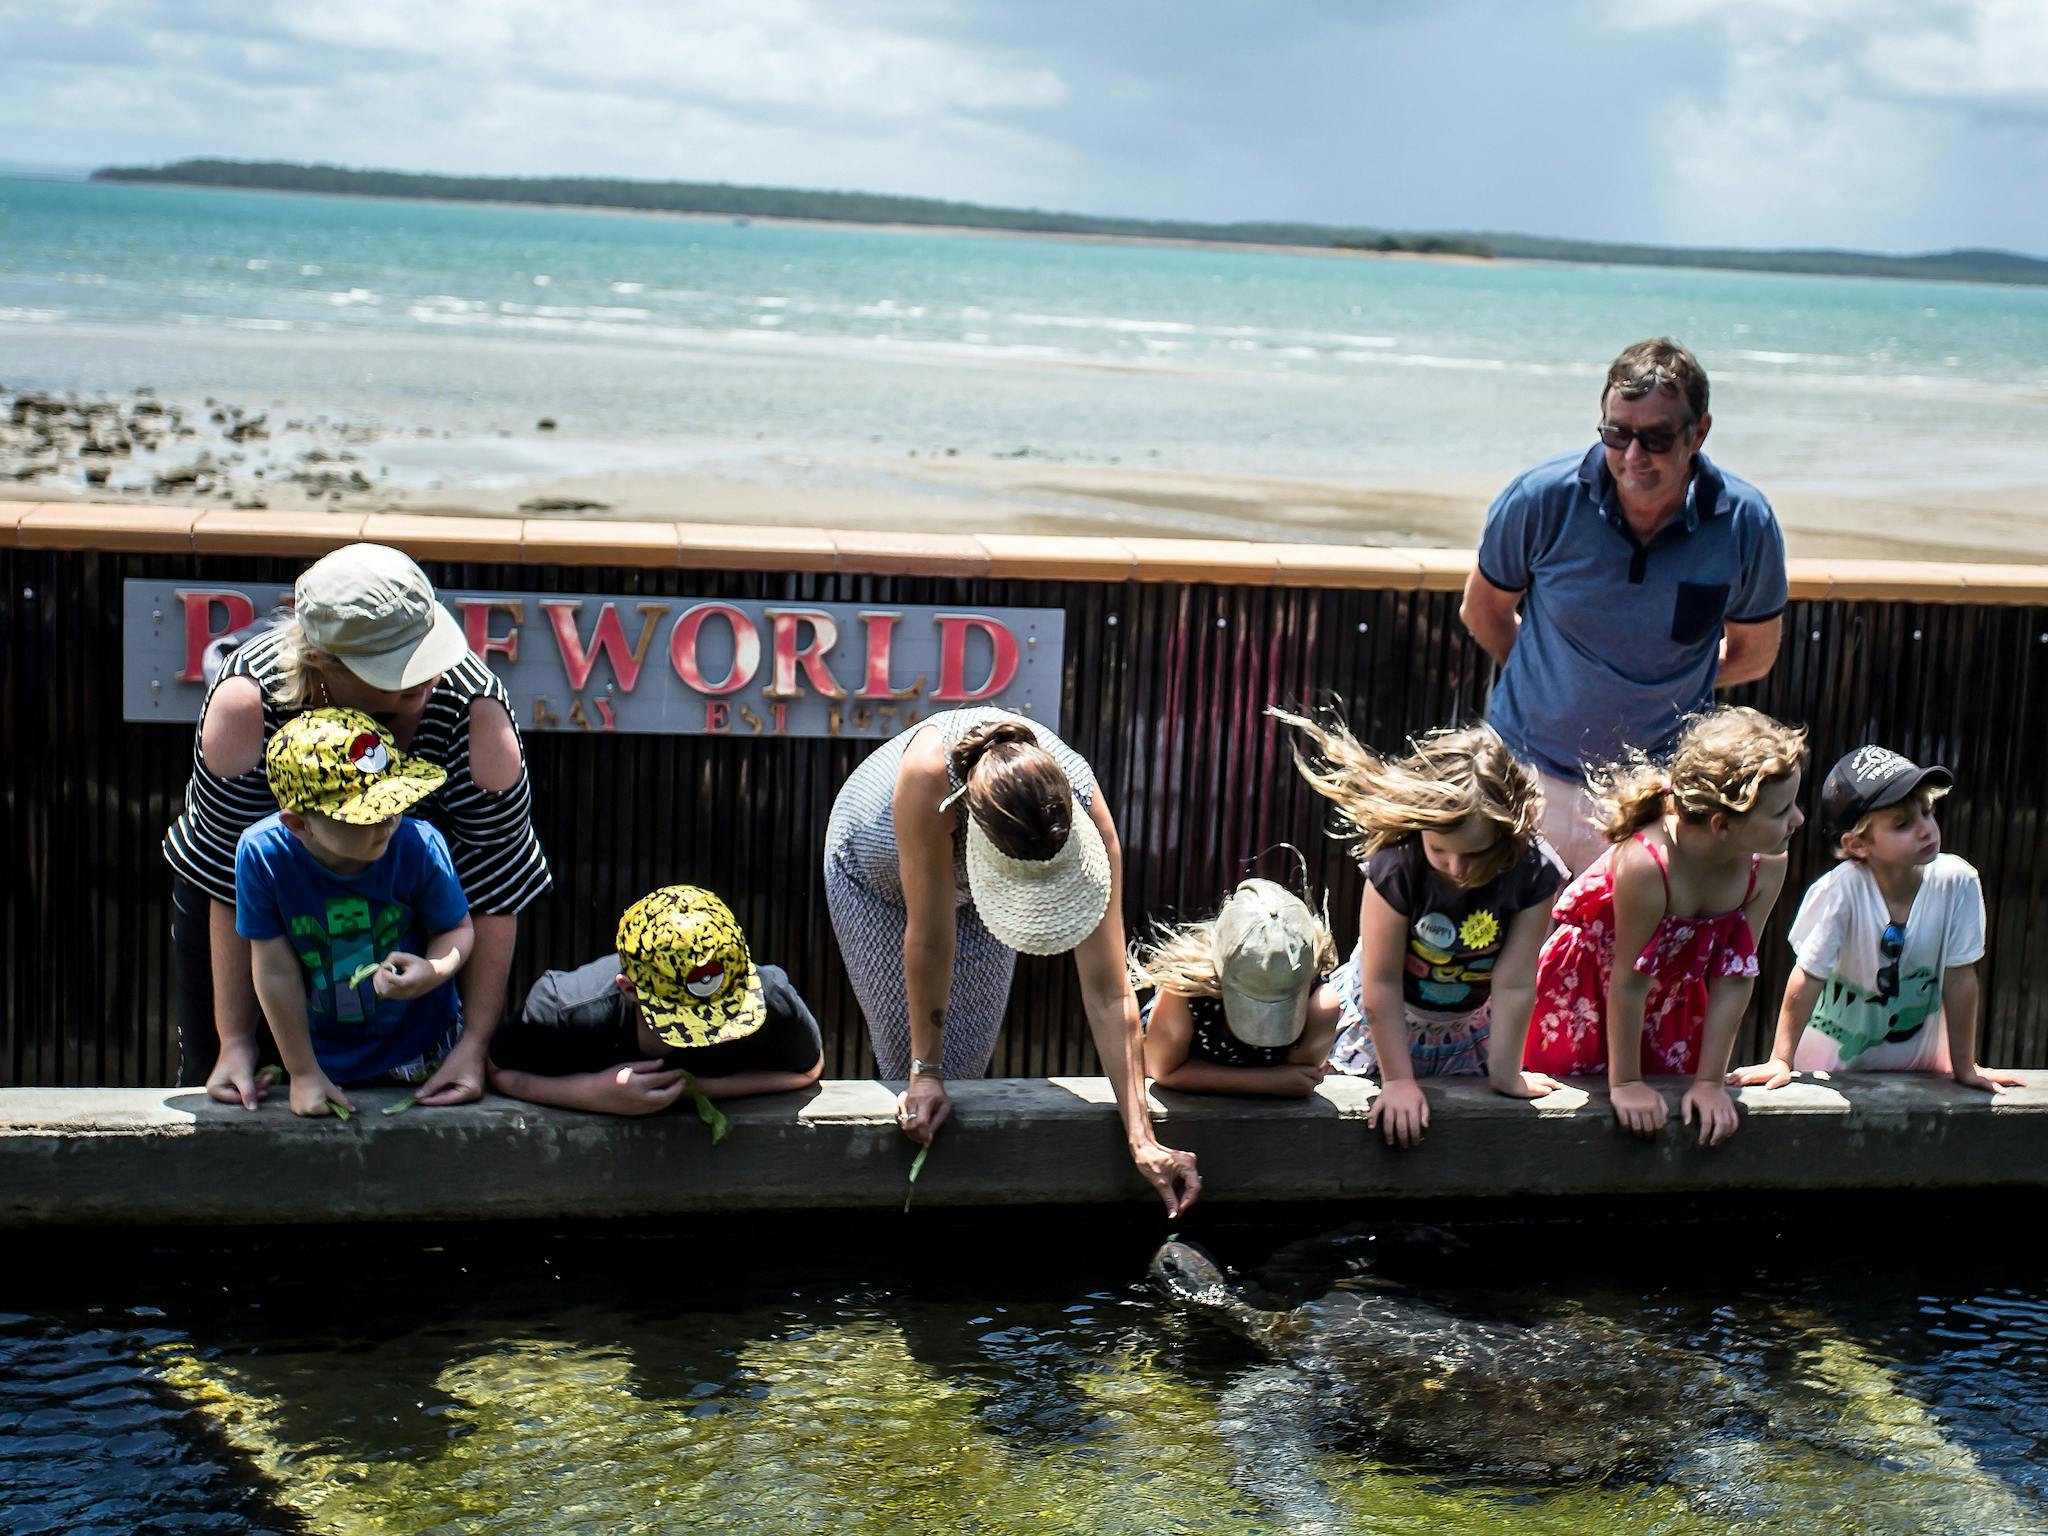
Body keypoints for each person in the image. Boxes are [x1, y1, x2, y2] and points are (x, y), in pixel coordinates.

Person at [164, 542, 550, 1111]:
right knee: (227, 1088)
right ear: (323, 662)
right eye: (398, 667)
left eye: (425, 651)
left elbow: (494, 889)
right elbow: (226, 878)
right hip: (261, 920)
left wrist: (474, 1044)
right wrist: (235, 1040)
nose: (430, 678)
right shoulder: (246, 704)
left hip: (414, 914)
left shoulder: (475, 714)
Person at [823, 708, 1200, 1216]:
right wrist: (924, 1072)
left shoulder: (1084, 802)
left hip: (983, 874)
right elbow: (931, 940)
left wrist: (1143, 1137)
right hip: (875, 873)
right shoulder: (929, 777)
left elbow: (1110, 991)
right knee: (917, 1080)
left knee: (962, 1077)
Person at [1460, 338, 1789, 874]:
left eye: (1656, 437)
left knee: (1627, 957)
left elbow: (1755, 655)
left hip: (1659, 794)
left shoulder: (1746, 522)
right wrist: (1553, 681)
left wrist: (1660, 688)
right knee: (1504, 953)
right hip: (1523, 776)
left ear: (1699, 432)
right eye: (1617, 434)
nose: (1633, 456)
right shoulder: (1540, 498)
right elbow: (1483, 612)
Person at [1276, 709, 1568, 1147]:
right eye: (1442, 851)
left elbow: (1514, 982)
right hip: (1383, 1020)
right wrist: (1397, 1081)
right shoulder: (1398, 864)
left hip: (1467, 1024)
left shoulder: (1533, 871)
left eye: (1476, 855)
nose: (1458, 868)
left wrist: (1507, 1075)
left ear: (1508, 838)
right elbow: (1380, 982)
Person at [1525, 706, 1806, 1145]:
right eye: (1782, 811)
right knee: (1570, 1127)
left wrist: (1711, 1082)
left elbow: (1734, 975)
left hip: (1672, 1002)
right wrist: (1626, 1084)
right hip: (1586, 994)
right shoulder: (1647, 862)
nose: (1799, 820)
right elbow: (1629, 982)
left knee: (1666, 1126)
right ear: (1722, 825)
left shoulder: (1767, 864)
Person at [1730, 748, 2026, 1095]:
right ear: (1857, 844)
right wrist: (1781, 1060)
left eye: (1927, 812)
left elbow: (1960, 976)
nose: (1924, 829)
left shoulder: (1958, 881)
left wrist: (1965, 1065)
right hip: (1832, 1071)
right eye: (1902, 824)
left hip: (1923, 1072)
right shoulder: (1842, 889)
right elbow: (1808, 974)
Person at [237, 709, 472, 1117]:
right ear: (298, 823)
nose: (389, 820)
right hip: (322, 1056)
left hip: (424, 1049)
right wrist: (303, 1070)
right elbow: (273, 968)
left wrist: (433, 971)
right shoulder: (264, 857)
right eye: (367, 814)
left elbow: (458, 929)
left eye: (393, 801)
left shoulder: (419, 846)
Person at [488, 885, 824, 1114]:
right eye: (687, 1017)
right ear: (629, 989)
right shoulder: (564, 1009)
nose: (707, 1032)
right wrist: (591, 1093)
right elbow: (500, 1071)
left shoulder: (770, 1001)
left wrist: (693, 1090)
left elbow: (808, 1069)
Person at [1132, 878, 1342, 1098]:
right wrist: (1264, 1082)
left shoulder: (1319, 1004)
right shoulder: (1184, 988)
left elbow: (1296, 1082)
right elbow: (1163, 1070)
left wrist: (1279, 1083)